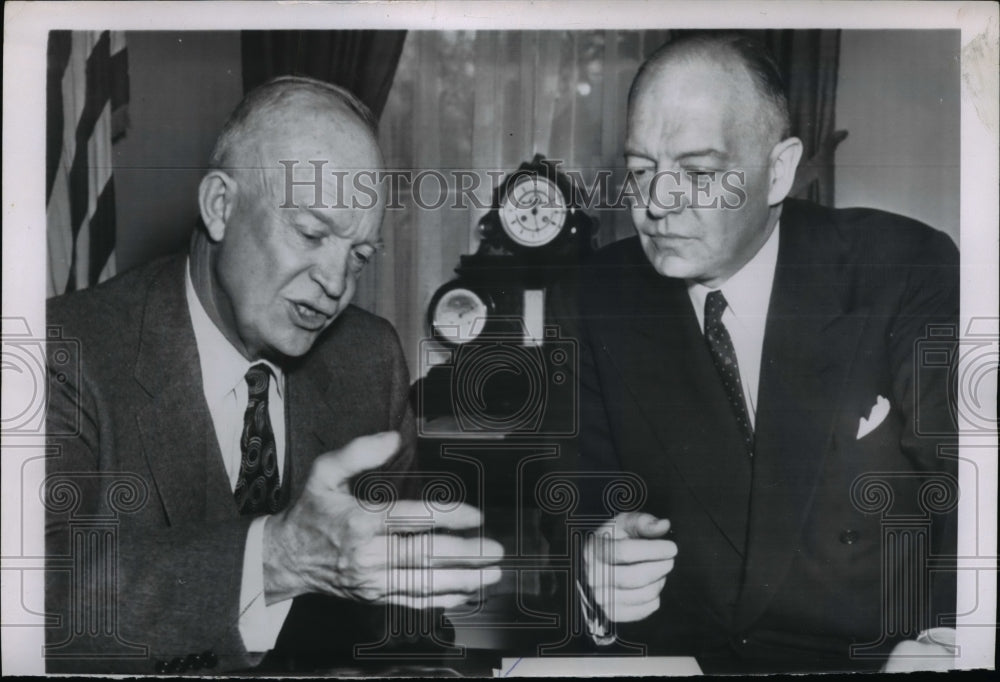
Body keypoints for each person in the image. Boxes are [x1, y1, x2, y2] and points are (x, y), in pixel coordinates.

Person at [45, 76, 503, 674]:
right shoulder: (63, 350)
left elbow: (399, 617)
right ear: (220, 206)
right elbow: (36, 599)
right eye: (312, 233)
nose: (337, 284)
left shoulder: (370, 359)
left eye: (360, 255)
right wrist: (276, 558)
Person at [548, 33, 959, 673]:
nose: (656, 204)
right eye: (640, 170)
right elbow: (575, 496)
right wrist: (593, 565)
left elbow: (973, 489)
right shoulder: (595, 295)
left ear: (778, 170)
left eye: (698, 174)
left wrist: (950, 639)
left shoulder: (903, 267)